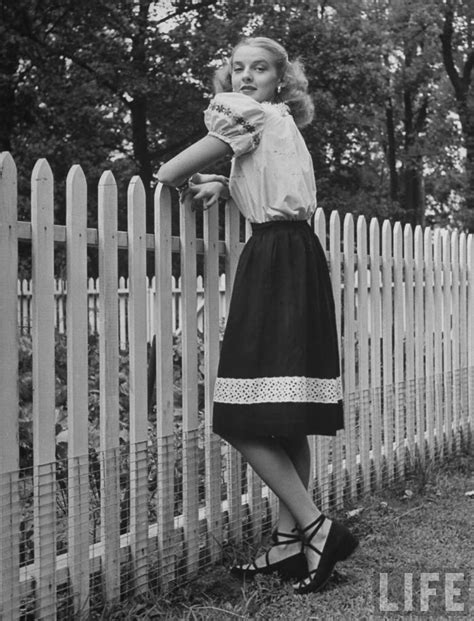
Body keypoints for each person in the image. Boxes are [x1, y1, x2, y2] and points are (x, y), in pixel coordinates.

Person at [157, 36, 358, 595]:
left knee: (238, 416)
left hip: (273, 259)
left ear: (281, 79)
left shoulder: (245, 115)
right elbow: (270, 182)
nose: (246, 76)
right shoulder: (279, 123)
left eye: (261, 68)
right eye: (238, 68)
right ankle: (291, 544)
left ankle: (317, 529)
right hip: (299, 253)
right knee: (286, 407)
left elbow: (172, 171)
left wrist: (182, 175)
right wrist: (229, 182)